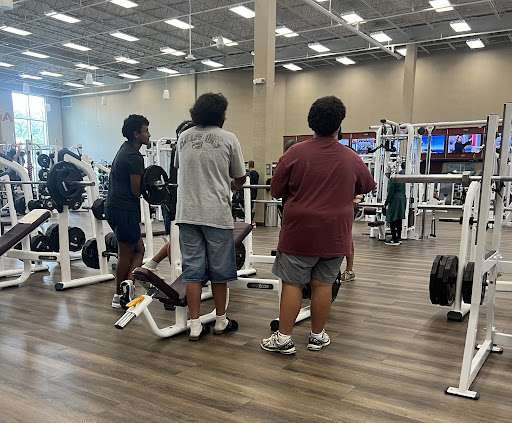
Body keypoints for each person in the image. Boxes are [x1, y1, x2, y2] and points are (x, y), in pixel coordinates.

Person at [261, 96, 375, 355]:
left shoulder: (294, 153)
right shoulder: (351, 157)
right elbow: (366, 185)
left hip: (299, 232)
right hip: (334, 233)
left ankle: (283, 339)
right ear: (339, 124)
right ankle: (317, 336)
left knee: (293, 284)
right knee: (323, 285)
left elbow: (276, 190)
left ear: (311, 123)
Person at [174, 92, 246, 341]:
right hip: (216, 214)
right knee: (219, 272)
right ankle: (220, 321)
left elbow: (180, 168)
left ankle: (195, 325)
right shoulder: (228, 138)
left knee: (192, 272)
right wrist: (232, 185)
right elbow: (240, 176)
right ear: (221, 114)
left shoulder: (183, 137)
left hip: (187, 214)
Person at [105, 114, 150, 308]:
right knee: (126, 253)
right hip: (124, 210)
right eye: (146, 130)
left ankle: (128, 286)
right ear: (136, 134)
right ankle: (119, 295)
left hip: (114, 208)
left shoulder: (124, 149)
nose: (149, 134)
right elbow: (136, 190)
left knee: (139, 250)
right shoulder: (134, 156)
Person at [143, 120, 195, 275]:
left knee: (177, 239)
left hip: (180, 200)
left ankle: (152, 264)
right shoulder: (180, 149)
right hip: (174, 201)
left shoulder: (185, 150)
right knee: (176, 240)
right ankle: (176, 277)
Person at [384, 164, 406, 245]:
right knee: (399, 218)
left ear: (388, 173)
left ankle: (394, 238)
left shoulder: (392, 179)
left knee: (392, 218)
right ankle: (399, 237)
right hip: (402, 199)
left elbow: (390, 192)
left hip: (395, 200)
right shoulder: (400, 179)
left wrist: (386, 202)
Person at [248, 160, 259, 227]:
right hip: (255, 192)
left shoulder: (249, 174)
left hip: (250, 192)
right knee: (252, 206)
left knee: (249, 206)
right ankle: (252, 221)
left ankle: (251, 221)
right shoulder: (256, 174)